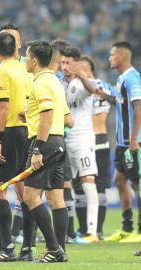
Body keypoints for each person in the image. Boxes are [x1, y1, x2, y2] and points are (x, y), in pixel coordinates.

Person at [0, 32, 32, 262]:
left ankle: (5, 247)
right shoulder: (24, 69)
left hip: (9, 133)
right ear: (16, 49)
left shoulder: (1, 71)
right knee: (24, 191)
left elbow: (3, 108)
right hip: (26, 132)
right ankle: (28, 248)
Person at [23, 40, 68, 263]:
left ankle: (53, 249)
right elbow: (67, 118)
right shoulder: (55, 81)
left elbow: (47, 116)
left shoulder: (39, 83)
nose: (23, 59)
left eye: (25, 55)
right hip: (58, 141)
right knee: (57, 199)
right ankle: (60, 251)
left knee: (30, 195)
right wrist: (29, 116)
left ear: (33, 60)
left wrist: (38, 149)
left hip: (45, 143)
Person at [61, 47, 99, 243]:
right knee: (65, 184)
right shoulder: (59, 84)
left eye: (69, 63)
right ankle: (69, 232)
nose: (65, 67)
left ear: (76, 63)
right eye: (63, 63)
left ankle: (92, 232)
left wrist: (82, 75)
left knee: (88, 182)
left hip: (82, 139)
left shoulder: (82, 82)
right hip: (64, 140)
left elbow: (93, 90)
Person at [105, 41, 141, 244]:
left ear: (122, 56)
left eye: (112, 55)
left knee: (137, 184)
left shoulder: (132, 78)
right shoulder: (121, 79)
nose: (109, 58)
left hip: (133, 142)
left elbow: (139, 107)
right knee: (119, 180)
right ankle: (127, 228)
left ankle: (140, 229)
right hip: (122, 143)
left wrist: (134, 139)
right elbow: (121, 103)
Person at [78, 56, 114, 240]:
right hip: (103, 137)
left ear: (84, 69)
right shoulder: (107, 86)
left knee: (82, 185)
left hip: (85, 138)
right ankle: (98, 230)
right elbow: (119, 102)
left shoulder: (82, 86)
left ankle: (84, 229)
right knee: (100, 188)